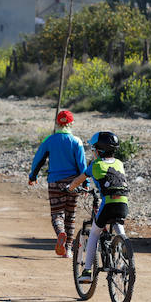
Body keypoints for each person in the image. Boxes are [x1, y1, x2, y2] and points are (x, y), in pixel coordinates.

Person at [64, 131, 129, 284]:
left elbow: (78, 180)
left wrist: (69, 188)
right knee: (118, 224)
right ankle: (124, 244)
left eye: (93, 149)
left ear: (98, 151)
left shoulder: (95, 165)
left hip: (107, 203)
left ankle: (87, 272)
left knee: (94, 233)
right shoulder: (120, 163)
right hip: (123, 202)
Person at [28, 110, 88, 258]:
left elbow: (39, 159)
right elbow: (82, 165)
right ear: (71, 123)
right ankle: (68, 249)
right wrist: (85, 182)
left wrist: (33, 176)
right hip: (73, 182)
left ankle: (61, 232)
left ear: (57, 123)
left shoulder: (49, 140)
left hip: (54, 182)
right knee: (71, 215)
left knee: (57, 214)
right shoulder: (76, 141)